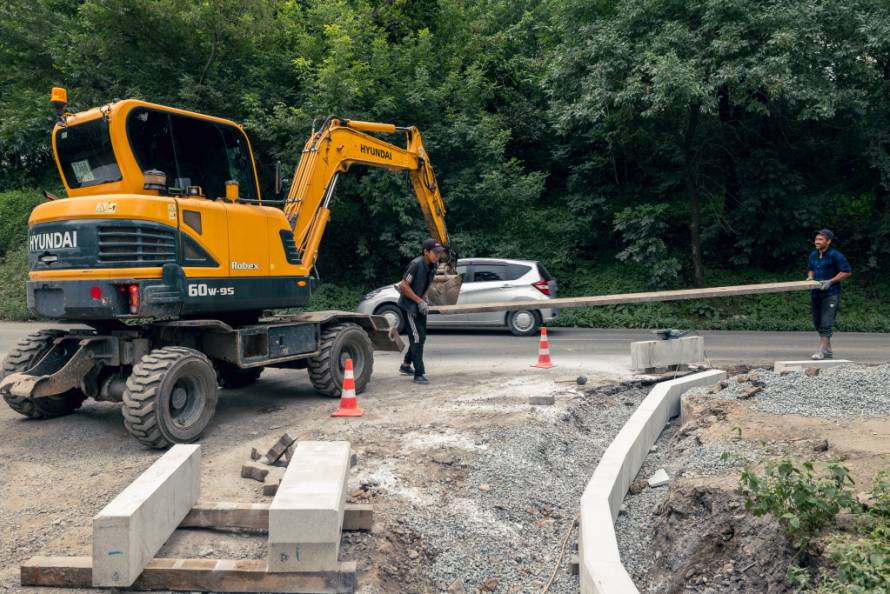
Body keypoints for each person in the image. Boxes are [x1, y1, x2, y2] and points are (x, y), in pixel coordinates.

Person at [397, 238, 444, 383]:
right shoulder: (416, 264)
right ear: (426, 252)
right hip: (409, 307)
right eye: (435, 253)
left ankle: (406, 365)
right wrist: (418, 301)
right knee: (416, 338)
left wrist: (425, 298)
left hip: (419, 305)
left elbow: (427, 285)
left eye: (439, 253)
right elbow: (403, 286)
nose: (437, 255)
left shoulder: (433, 266)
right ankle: (419, 374)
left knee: (422, 337)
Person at [806, 229, 852, 360]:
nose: (817, 242)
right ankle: (828, 350)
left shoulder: (835, 255)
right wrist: (810, 277)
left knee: (826, 323)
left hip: (831, 294)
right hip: (816, 294)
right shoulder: (813, 255)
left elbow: (846, 272)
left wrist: (830, 281)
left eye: (820, 239)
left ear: (828, 241)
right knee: (818, 323)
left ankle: (821, 350)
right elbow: (810, 269)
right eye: (816, 239)